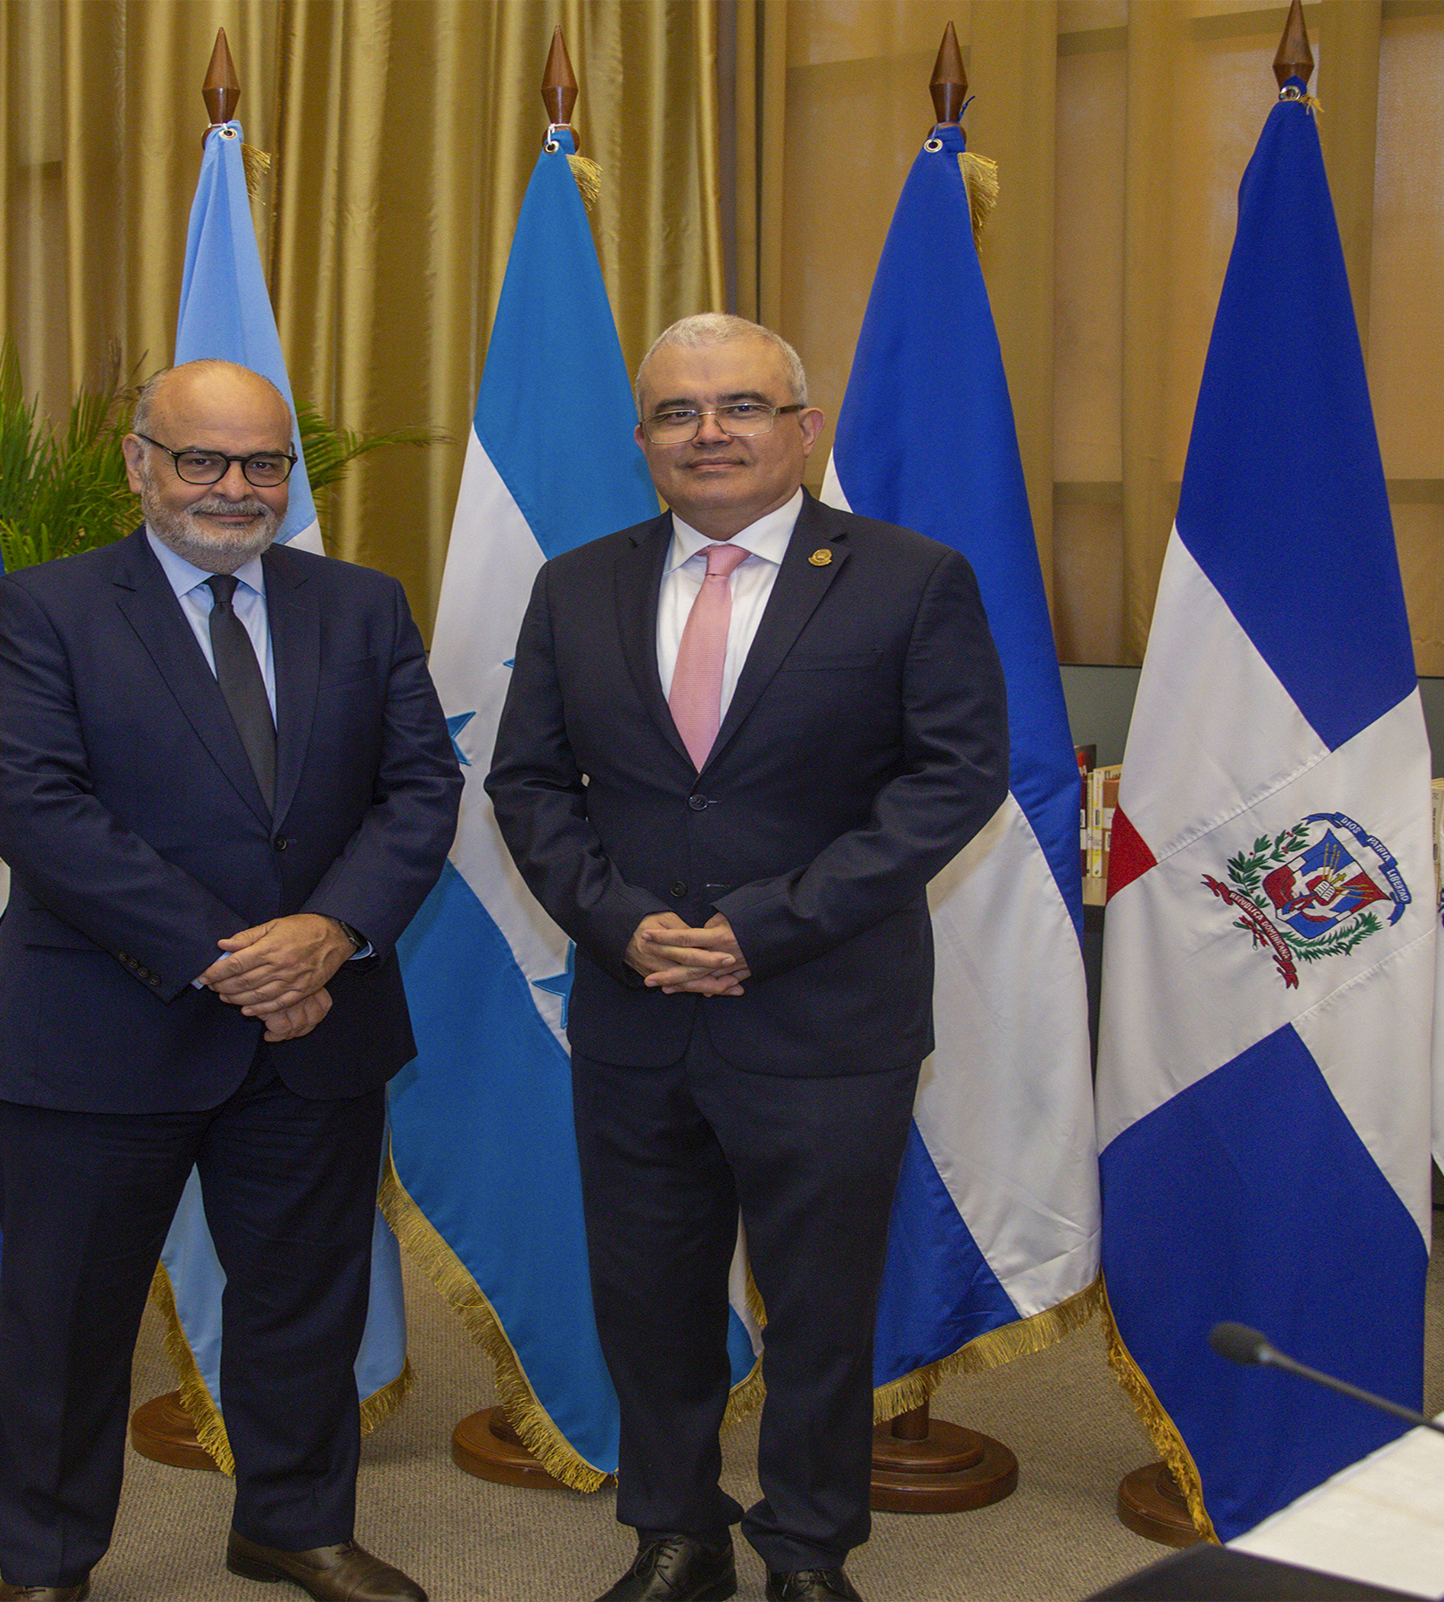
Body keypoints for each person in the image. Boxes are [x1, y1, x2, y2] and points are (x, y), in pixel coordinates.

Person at [487, 315, 1010, 1602]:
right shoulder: (577, 586)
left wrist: (766, 926)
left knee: (821, 1308)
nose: (708, 432)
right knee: (649, 1296)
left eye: (740, 407)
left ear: (804, 429)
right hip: (637, 1010)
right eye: (677, 411)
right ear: (643, 440)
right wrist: (618, 922)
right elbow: (529, 783)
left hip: (825, 1014)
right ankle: (677, 1532)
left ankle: (809, 1549)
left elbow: (953, 779)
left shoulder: (911, 578)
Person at [0, 359, 460, 1602]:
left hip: (316, 1030)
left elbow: (420, 791)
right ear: (141, 463)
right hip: (99, 1029)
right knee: (67, 1321)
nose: (235, 487)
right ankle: (47, 1562)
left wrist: (330, 933)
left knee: (307, 1302)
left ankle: (293, 1525)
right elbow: (38, 810)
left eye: (264, 463)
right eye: (202, 459)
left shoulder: (363, 606)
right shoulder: (39, 610)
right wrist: (241, 961)